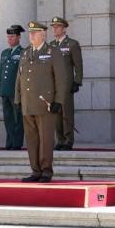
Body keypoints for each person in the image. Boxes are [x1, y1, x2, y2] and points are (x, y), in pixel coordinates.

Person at [16, 21, 69, 183]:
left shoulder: (53, 52)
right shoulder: (25, 53)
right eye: (30, 33)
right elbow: (19, 78)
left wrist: (58, 101)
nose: (31, 36)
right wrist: (18, 99)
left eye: (35, 33)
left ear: (43, 35)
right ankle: (35, 170)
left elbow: (61, 79)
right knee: (31, 140)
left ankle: (46, 171)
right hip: (28, 103)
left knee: (46, 139)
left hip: (45, 104)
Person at [50, 16, 83, 151]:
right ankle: (60, 139)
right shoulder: (51, 45)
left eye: (57, 26)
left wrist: (77, 81)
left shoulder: (72, 44)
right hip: (54, 85)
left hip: (66, 84)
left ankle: (68, 140)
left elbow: (78, 65)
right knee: (56, 113)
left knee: (66, 113)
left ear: (64, 29)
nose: (54, 29)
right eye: (53, 27)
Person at [0, 25, 26, 150]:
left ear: (19, 37)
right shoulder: (5, 53)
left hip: (16, 92)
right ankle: (9, 141)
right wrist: (1, 89)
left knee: (17, 119)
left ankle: (17, 142)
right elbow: (1, 73)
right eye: (8, 36)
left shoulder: (22, 52)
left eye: (12, 36)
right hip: (5, 90)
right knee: (8, 118)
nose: (9, 39)